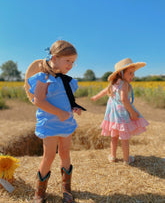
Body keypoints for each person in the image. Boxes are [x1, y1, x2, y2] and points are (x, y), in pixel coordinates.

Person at [25, 40, 86, 203]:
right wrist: (59, 112)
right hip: (50, 125)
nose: (71, 65)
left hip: (66, 124)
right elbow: (38, 100)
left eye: (73, 62)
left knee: (65, 153)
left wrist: (74, 108)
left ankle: (66, 189)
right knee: (49, 156)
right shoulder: (43, 77)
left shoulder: (67, 80)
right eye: (68, 61)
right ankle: (40, 192)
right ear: (54, 57)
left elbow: (66, 100)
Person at [91, 58, 149, 164]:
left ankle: (113, 156)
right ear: (121, 73)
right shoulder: (124, 84)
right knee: (124, 138)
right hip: (121, 114)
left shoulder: (115, 83)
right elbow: (124, 99)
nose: (133, 76)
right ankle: (126, 160)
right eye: (130, 73)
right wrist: (132, 112)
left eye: (133, 73)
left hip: (112, 116)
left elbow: (105, 91)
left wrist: (96, 97)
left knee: (114, 136)